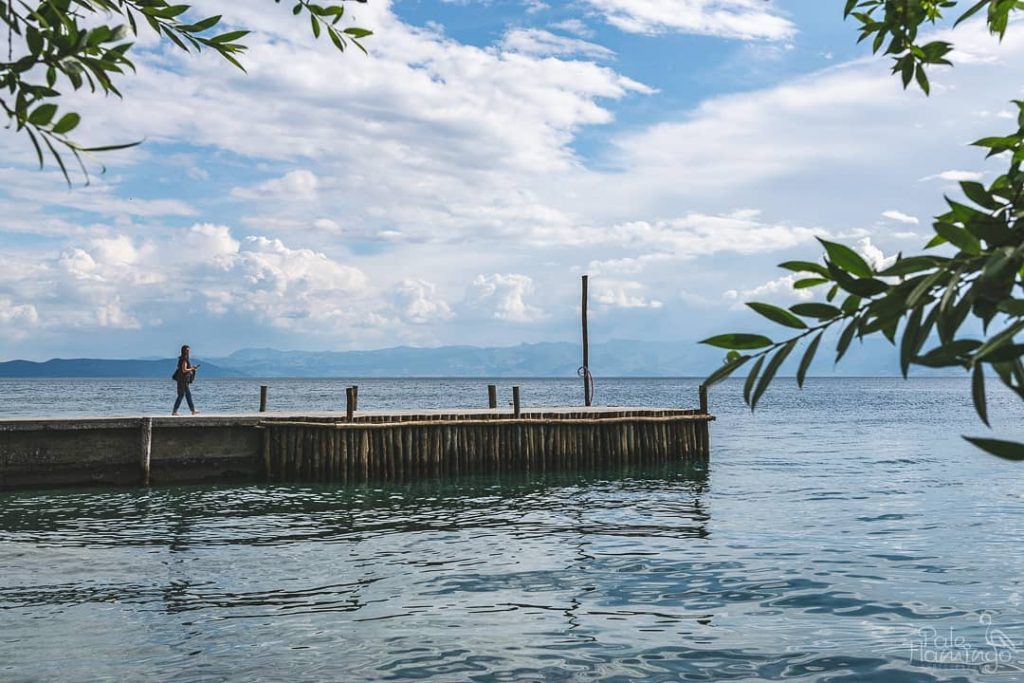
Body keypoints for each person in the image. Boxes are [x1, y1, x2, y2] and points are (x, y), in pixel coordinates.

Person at [172, 344, 200, 416]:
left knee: (185, 395)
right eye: (187, 350)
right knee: (183, 395)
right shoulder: (184, 359)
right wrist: (192, 369)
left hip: (181, 380)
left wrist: (191, 368)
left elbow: (183, 369)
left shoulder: (182, 358)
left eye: (188, 350)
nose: (188, 351)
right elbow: (184, 370)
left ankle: (192, 410)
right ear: (183, 351)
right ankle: (175, 411)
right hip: (183, 380)